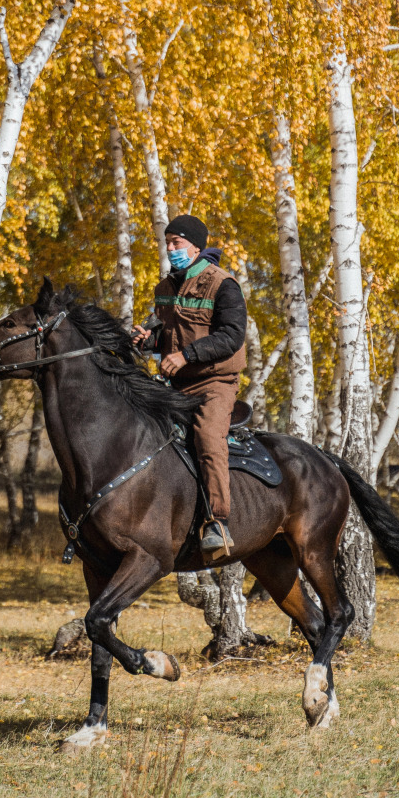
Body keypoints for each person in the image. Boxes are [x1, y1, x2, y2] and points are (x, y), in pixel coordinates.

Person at [133, 214, 247, 556]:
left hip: (214, 383)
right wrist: (148, 342)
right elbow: (167, 337)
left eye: (176, 243)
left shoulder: (223, 284)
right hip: (175, 385)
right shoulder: (164, 288)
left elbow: (231, 336)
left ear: (196, 247)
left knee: (209, 440)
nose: (170, 249)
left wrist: (185, 356)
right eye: (167, 242)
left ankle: (218, 523)